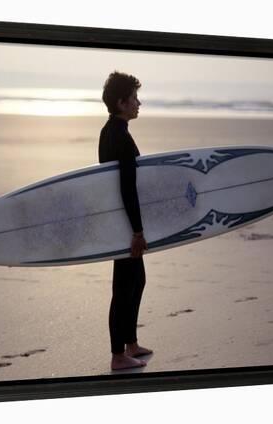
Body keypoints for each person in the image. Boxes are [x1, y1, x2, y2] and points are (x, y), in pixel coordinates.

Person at [98, 71, 152, 370]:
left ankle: (130, 343)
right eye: (133, 98)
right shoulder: (119, 136)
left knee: (136, 279)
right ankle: (118, 354)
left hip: (119, 218)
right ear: (121, 102)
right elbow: (126, 187)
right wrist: (137, 231)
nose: (138, 103)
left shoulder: (112, 130)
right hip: (123, 222)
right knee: (123, 286)